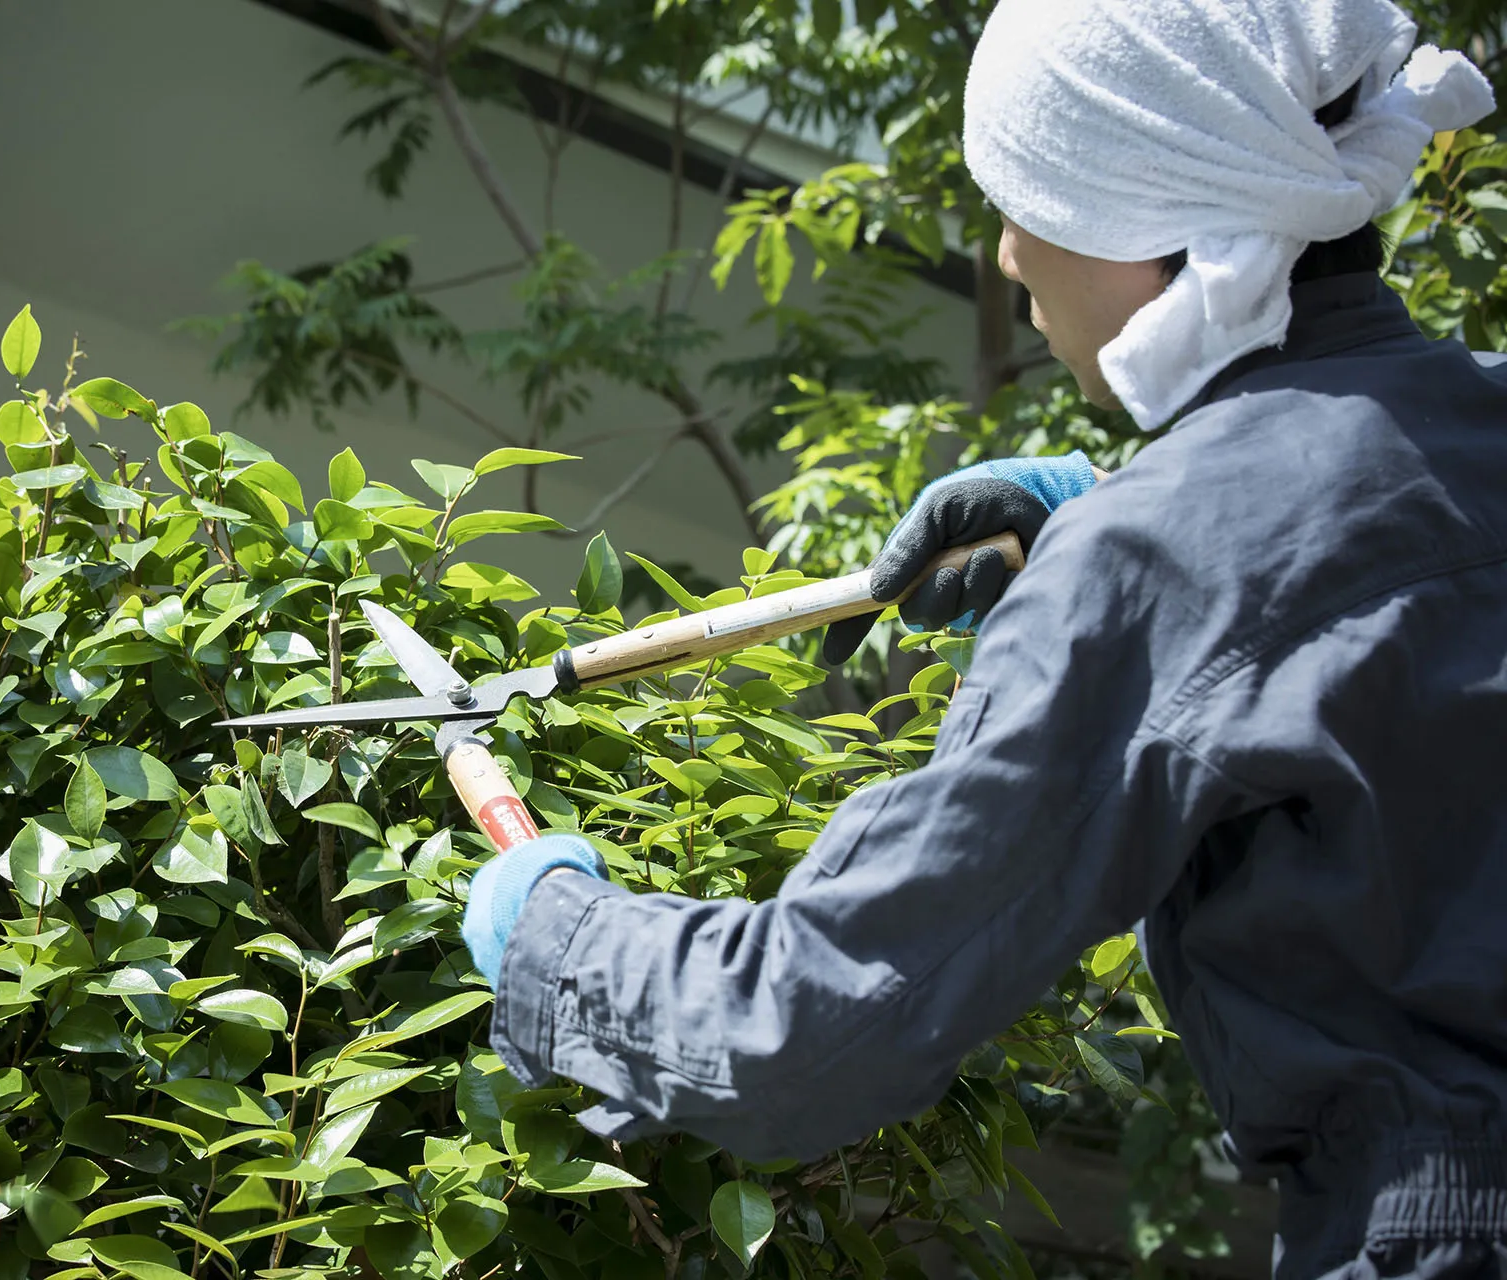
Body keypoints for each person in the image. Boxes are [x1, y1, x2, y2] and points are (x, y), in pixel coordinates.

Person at [459, 1, 1507, 1276]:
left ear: (1153, 224)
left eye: (1029, 201)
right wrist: (1101, 515)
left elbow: (803, 1029)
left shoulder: (1159, 561)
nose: (1009, 256)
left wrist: (554, 936)